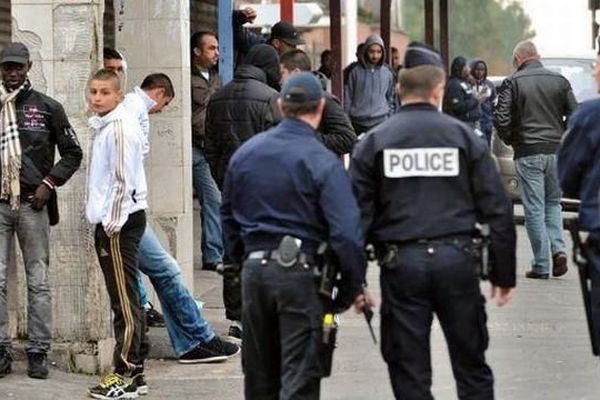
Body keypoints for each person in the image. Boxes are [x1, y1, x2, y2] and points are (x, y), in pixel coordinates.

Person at [349, 43, 517, 400]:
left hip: (402, 267)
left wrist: (353, 281)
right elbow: (498, 209)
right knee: (472, 367)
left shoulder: (375, 142)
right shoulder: (465, 140)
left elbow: (354, 219)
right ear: (439, 89)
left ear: (398, 89)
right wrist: (504, 274)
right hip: (458, 263)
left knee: (409, 373)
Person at [221, 71, 368, 400]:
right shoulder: (323, 161)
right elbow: (346, 234)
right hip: (301, 278)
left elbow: (227, 218)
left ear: (279, 105)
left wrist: (238, 265)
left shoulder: (245, 155)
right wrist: (347, 290)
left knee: (259, 380)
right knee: (299, 380)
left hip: (255, 274)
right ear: (320, 108)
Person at [123, 73, 239, 367]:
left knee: (164, 273)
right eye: (164, 103)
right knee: (167, 271)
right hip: (126, 212)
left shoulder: (131, 110)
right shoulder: (132, 111)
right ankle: (199, 337)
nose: (161, 110)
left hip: (129, 210)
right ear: (160, 93)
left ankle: (191, 343)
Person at [0, 42, 82, 380]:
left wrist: (49, 183)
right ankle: (1, 349)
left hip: (33, 204)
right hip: (1, 204)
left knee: (39, 281)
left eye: (18, 66)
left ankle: (38, 350)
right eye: (7, 67)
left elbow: (73, 153)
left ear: (29, 67)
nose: (13, 72)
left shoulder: (48, 107)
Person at [205, 43, 281, 340]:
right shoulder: (270, 99)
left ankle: (236, 317)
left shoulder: (217, 98)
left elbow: (210, 147)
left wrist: (223, 179)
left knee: (232, 250)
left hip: (231, 186)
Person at [86, 68, 149, 399]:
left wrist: (111, 223)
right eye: (93, 91)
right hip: (116, 220)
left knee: (124, 302)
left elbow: (124, 181)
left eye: (104, 92)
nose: (97, 97)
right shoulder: (108, 125)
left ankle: (124, 372)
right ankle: (136, 372)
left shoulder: (120, 127)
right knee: (127, 298)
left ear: (118, 95)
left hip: (119, 223)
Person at [495, 40, 577, 279]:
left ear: (519, 59)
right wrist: (561, 135)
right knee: (553, 204)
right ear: (537, 56)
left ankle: (541, 265)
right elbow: (575, 115)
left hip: (528, 152)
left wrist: (513, 139)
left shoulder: (513, 82)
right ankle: (559, 250)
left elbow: (501, 118)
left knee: (534, 207)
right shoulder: (559, 81)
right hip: (556, 152)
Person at [102, 47, 165, 328]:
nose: (115, 75)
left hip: (129, 206)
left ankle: (142, 310)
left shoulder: (128, 109)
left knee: (150, 266)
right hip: (114, 209)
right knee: (155, 268)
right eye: (110, 69)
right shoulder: (118, 111)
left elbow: (135, 156)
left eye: (119, 70)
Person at [190, 31, 225, 272]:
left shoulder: (216, 77)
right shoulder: (185, 75)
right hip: (187, 145)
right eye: (211, 48)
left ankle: (213, 255)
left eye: (217, 48)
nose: (217, 53)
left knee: (213, 199)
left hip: (206, 149)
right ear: (197, 52)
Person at [280, 49, 356, 155]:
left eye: (282, 73)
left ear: (296, 73)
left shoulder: (326, 100)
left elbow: (348, 139)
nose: (280, 79)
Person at [344, 34, 396, 135]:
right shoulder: (354, 72)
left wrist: (389, 117)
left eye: (379, 52)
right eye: (371, 51)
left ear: (383, 53)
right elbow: (348, 97)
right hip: (357, 123)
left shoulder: (387, 73)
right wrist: (347, 120)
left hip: (380, 122)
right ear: (365, 51)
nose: (375, 55)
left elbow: (391, 98)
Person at [233, 7, 305, 59]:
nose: (294, 49)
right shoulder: (256, 48)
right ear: (276, 43)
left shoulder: (288, 63)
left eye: (295, 46)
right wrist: (241, 17)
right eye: (290, 45)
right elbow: (235, 30)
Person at [443, 56, 481, 128]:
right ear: (461, 67)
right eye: (466, 66)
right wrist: (476, 100)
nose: (469, 68)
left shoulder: (464, 81)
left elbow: (468, 96)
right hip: (463, 124)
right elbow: (458, 107)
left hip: (471, 122)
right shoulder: (454, 84)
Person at [470, 58, 497, 145]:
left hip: (487, 121)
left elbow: (494, 102)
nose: (480, 72)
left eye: (482, 70)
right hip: (475, 122)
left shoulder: (489, 84)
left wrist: (493, 119)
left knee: (487, 147)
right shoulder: (469, 84)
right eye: (477, 69)